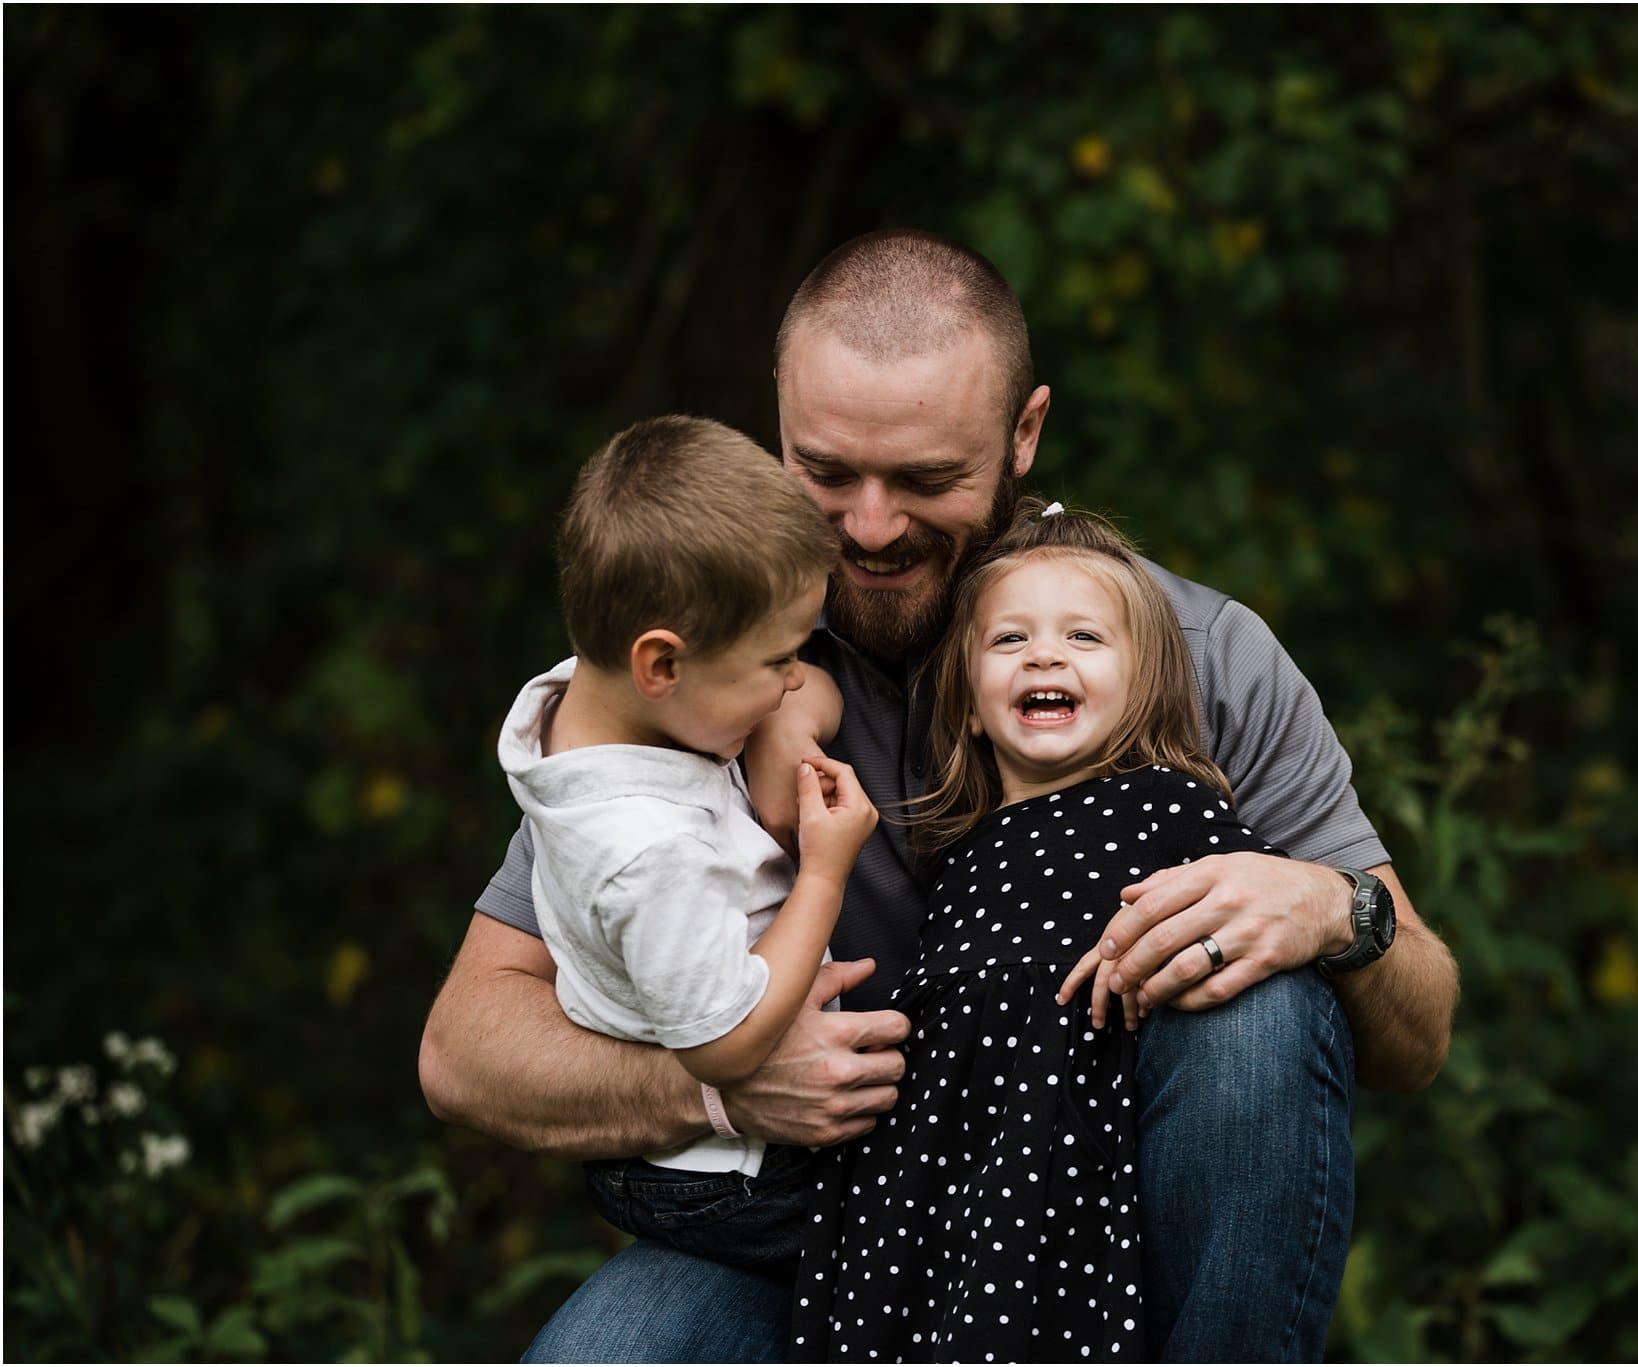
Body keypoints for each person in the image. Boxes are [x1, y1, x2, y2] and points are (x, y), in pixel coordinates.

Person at [419, 228, 1460, 1362]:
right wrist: (720, 1083)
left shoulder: (1197, 652)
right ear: (777, 420)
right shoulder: (709, 666)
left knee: (1259, 1017)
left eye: (925, 480)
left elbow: (1418, 1034)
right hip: (812, 1228)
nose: (868, 527)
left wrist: (1331, 911)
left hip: (1092, 1207)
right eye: (823, 473)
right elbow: (466, 1046)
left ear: (1024, 434)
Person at [790, 498, 1293, 1361]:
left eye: (1085, 639)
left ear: (1144, 690)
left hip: (1067, 1173)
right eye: (1010, 640)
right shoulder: (956, 851)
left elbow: (1243, 917)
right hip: (933, 1181)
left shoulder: (1167, 808)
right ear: (973, 707)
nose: (1046, 654)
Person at [495, 415, 877, 1274]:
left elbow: (809, 688)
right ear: (661, 665)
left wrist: (781, 720)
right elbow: (727, 1045)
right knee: (918, 1250)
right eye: (775, 659)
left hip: (705, 1153)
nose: (795, 675)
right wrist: (823, 873)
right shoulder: (643, 851)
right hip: (723, 1177)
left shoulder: (588, 709)